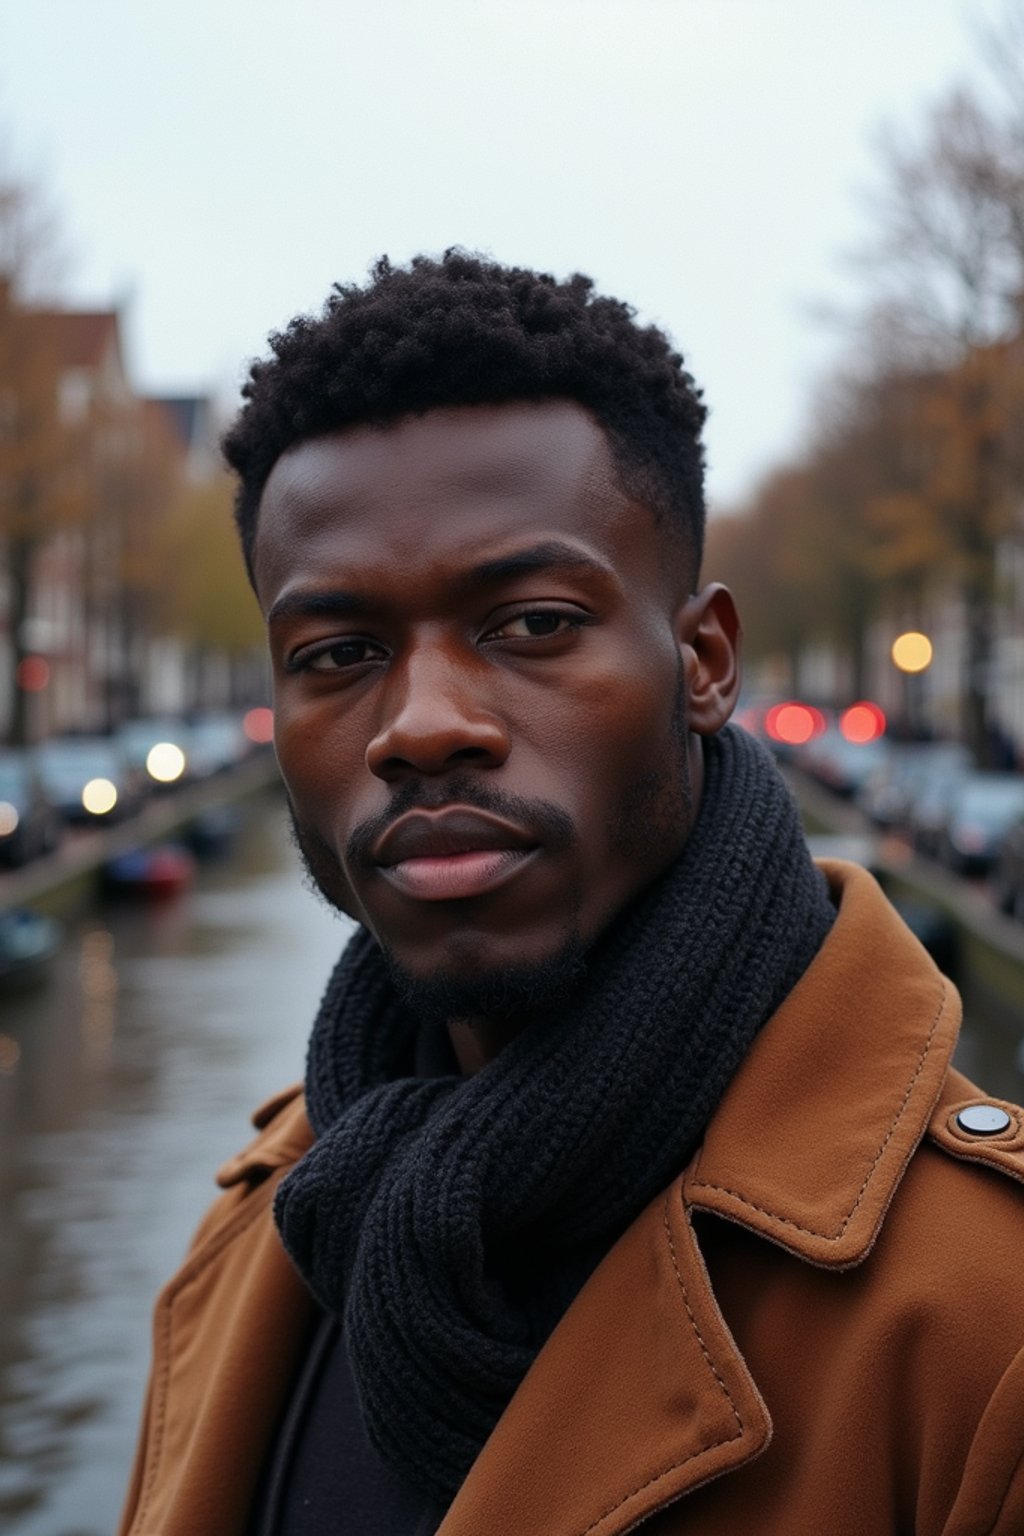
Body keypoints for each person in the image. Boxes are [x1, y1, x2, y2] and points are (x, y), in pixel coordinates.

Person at [119, 253, 1024, 1536]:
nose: (422, 726)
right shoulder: (250, 1243)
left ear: (701, 661)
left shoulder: (989, 1329)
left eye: (532, 623)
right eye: (339, 654)